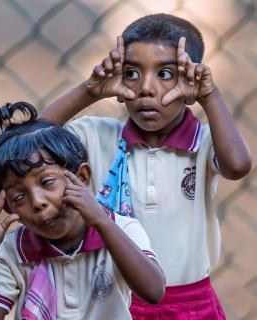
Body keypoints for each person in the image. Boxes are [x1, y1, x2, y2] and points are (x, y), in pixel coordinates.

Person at [39, 13, 252, 319]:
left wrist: (210, 95)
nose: (146, 89)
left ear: (191, 81)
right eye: (132, 73)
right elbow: (29, 140)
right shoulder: (98, 137)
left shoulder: (205, 143)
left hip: (190, 303)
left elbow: (238, 166)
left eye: (165, 74)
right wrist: (90, 90)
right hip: (114, 304)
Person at [0, 101, 165, 320]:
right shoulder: (13, 251)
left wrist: (101, 222)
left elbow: (153, 291)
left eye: (47, 182)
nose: (38, 202)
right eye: (19, 197)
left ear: (82, 177)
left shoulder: (120, 229)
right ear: (10, 208)